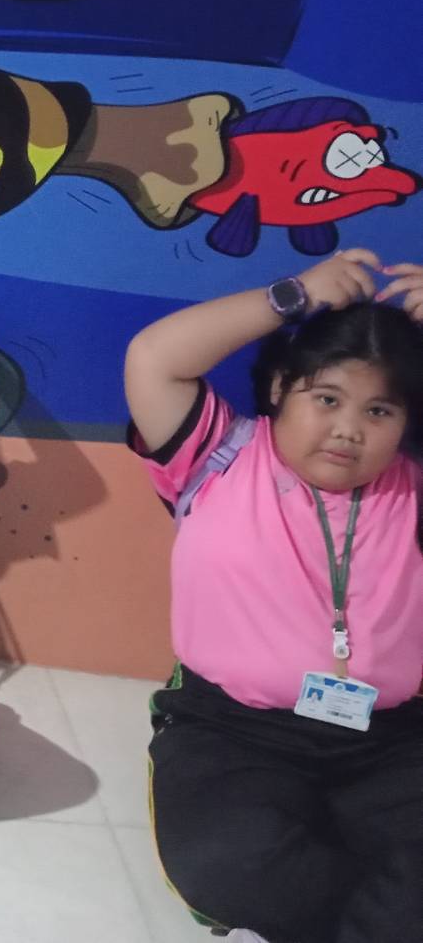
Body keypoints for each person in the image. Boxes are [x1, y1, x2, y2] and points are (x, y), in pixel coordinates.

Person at [125, 248, 423, 942]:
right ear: (282, 387)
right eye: (327, 399)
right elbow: (154, 358)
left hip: (392, 741)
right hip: (234, 731)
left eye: (379, 409)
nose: (348, 428)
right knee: (230, 862)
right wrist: (293, 296)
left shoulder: (410, 485)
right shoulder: (217, 456)